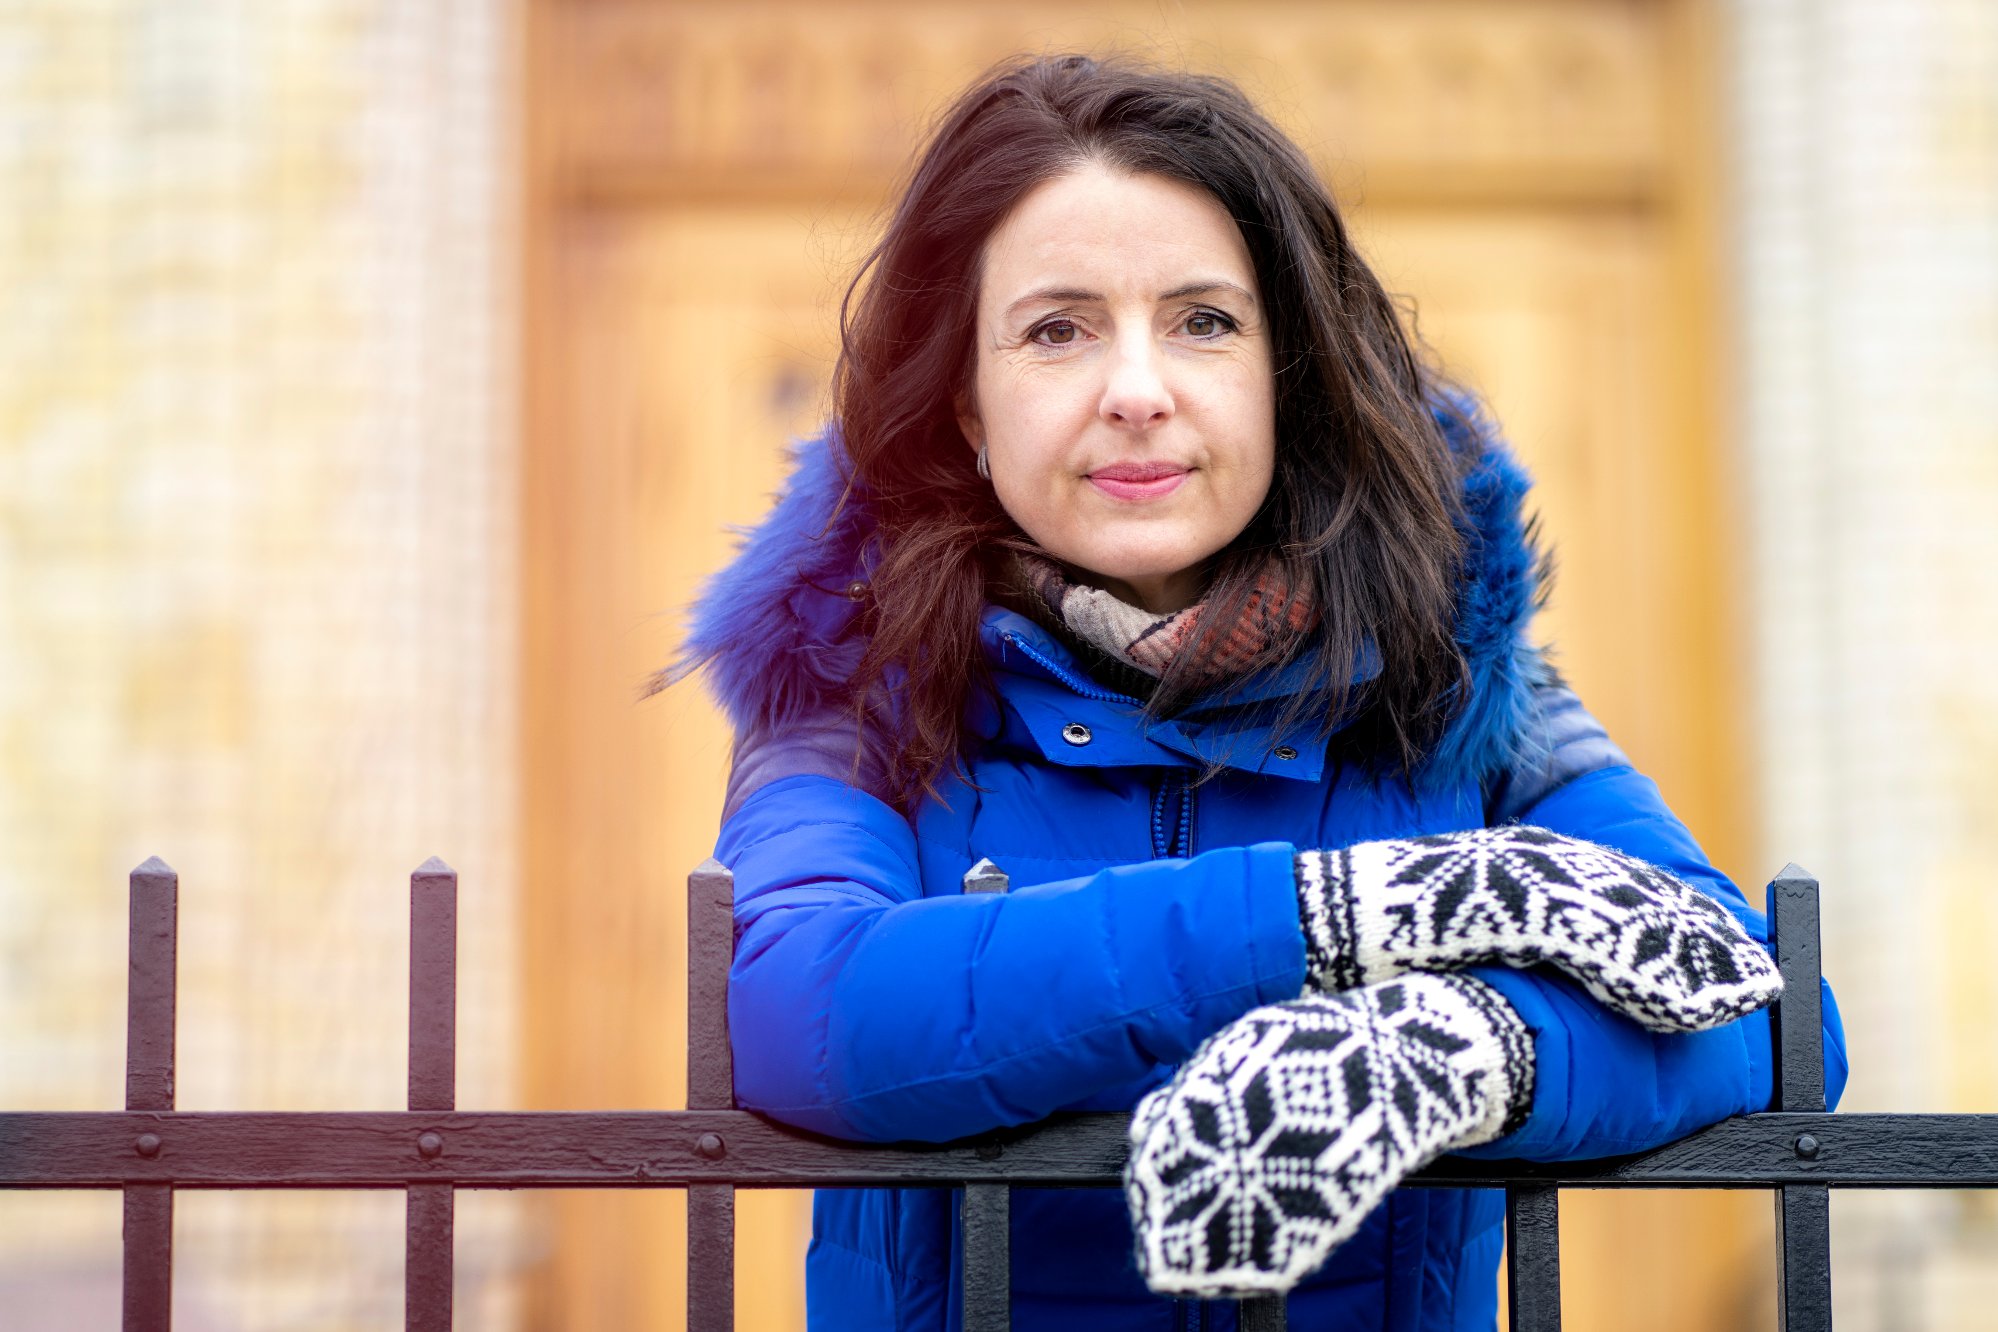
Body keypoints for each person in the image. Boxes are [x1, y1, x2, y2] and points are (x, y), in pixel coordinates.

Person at [664, 51, 1849, 1331]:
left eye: (1204, 321)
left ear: (1284, 374)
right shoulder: (851, 676)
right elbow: (801, 1011)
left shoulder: (1456, 678)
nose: (1136, 391)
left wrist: (1454, 1047)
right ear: (964, 403)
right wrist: (1336, 917)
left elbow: (1771, 1017)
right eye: (1057, 329)